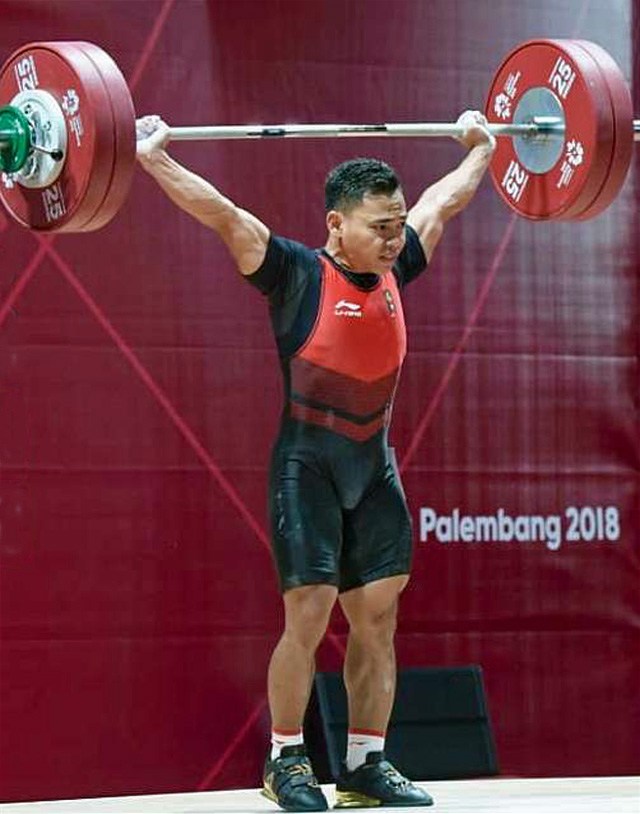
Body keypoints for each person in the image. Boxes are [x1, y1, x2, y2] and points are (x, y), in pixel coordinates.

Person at [136, 109, 496, 811]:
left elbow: (447, 196)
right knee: (307, 615)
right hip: (309, 468)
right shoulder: (296, 274)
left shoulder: (400, 260)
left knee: (379, 619)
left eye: (397, 225)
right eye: (379, 227)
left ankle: (365, 762)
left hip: (374, 467)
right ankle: (286, 758)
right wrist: (154, 156)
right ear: (337, 225)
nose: (395, 239)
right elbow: (221, 213)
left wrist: (479, 144)